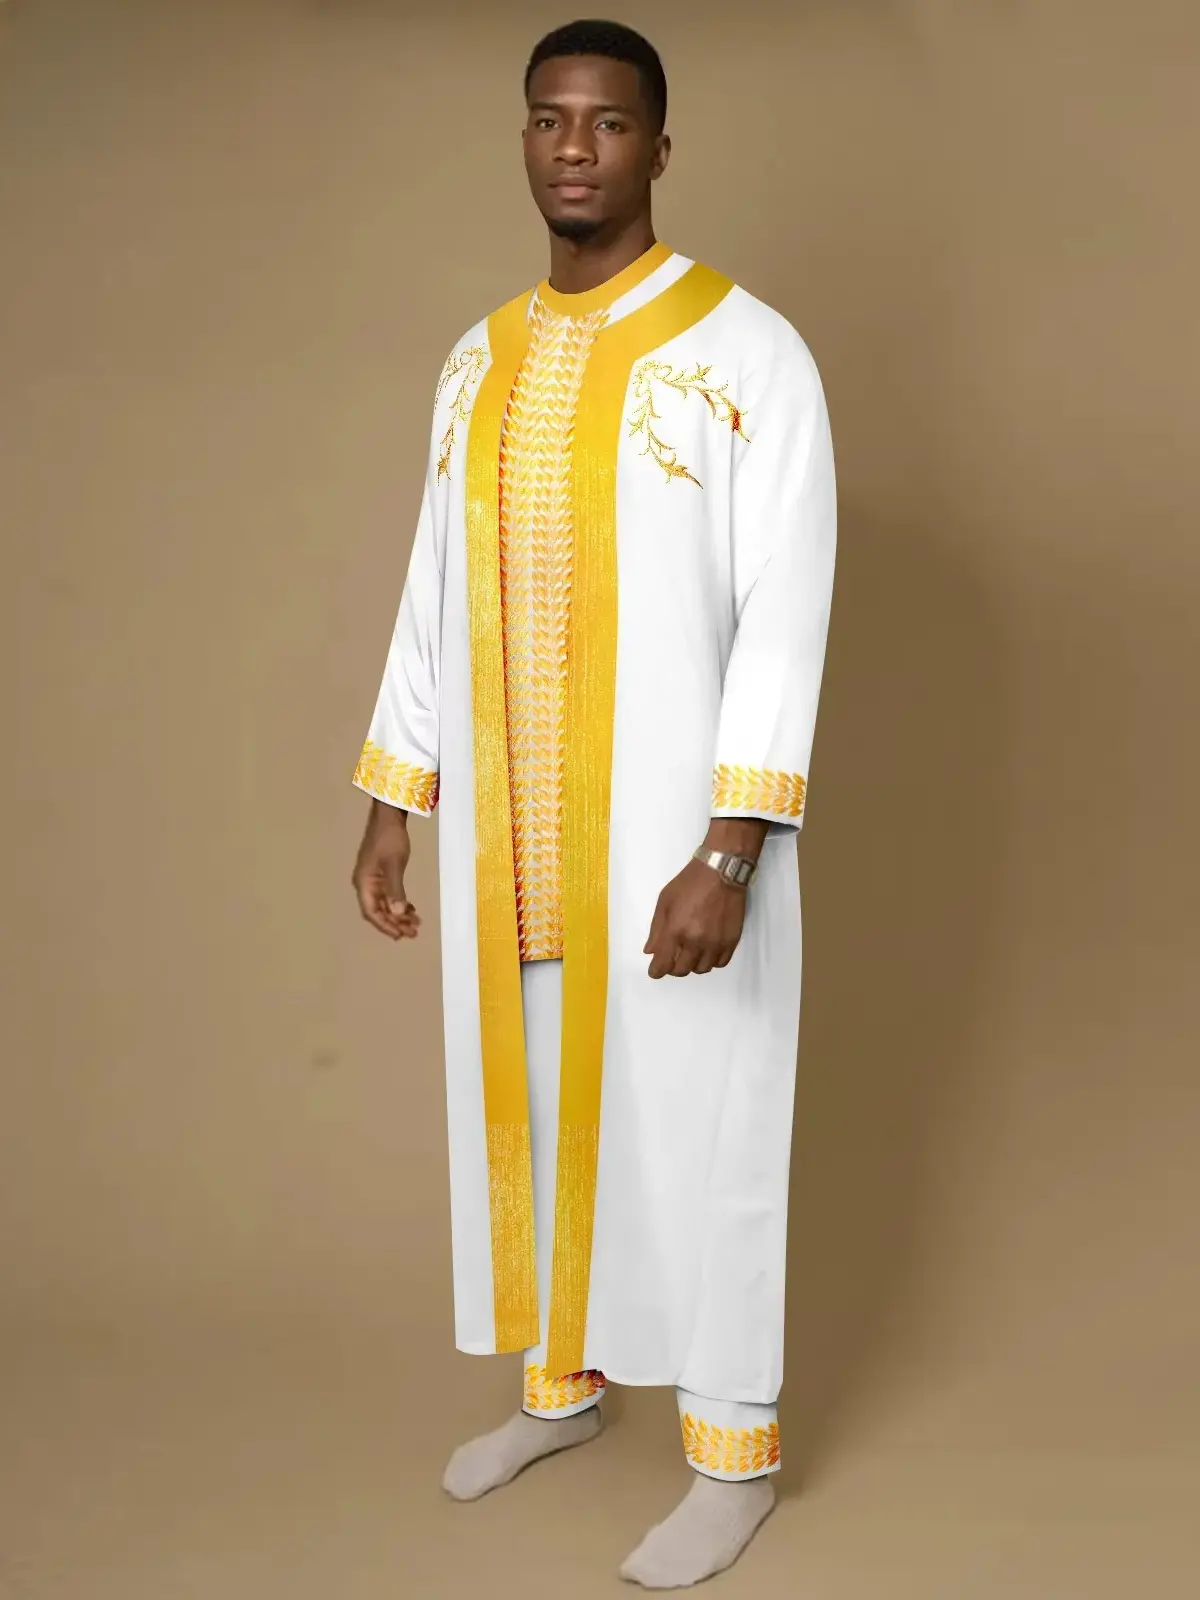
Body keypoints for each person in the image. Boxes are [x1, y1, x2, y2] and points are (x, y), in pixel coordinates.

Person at [351, 18, 836, 1589]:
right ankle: (557, 1389)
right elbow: (432, 584)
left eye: (609, 122)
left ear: (659, 148)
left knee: (708, 1126)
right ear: (524, 140)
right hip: (513, 831)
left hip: (675, 839)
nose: (576, 146)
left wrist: (729, 849)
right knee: (536, 1108)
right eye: (550, 119)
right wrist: (396, 794)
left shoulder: (747, 353)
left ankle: (732, 1451)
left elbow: (787, 608)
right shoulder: (476, 359)